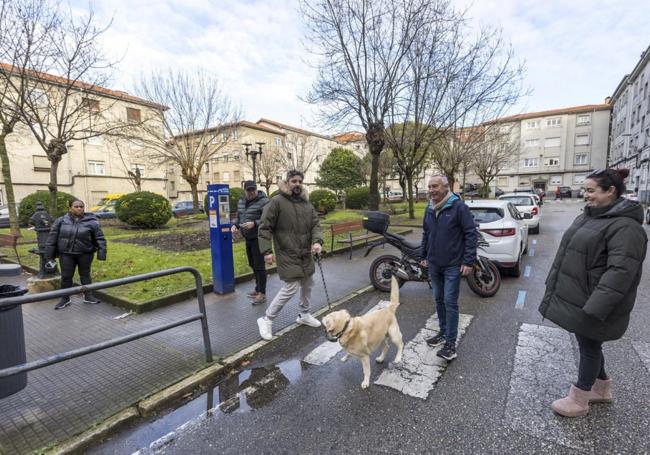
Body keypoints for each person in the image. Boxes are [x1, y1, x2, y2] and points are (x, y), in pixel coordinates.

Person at [539, 168, 647, 417]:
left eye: (591, 190)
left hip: (595, 301)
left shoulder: (625, 227)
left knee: (589, 346)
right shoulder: (590, 216)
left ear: (611, 191)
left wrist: (596, 307)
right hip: (583, 297)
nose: (585, 195)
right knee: (588, 343)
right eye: (584, 190)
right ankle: (602, 389)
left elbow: (620, 272)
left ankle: (580, 399)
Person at [256, 170, 324, 340]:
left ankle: (303, 315)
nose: (297, 184)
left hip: (305, 254)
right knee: (291, 288)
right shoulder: (277, 202)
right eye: (294, 181)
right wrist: (267, 251)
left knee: (308, 283)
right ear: (287, 183)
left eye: (300, 181)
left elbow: (316, 224)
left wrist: (317, 241)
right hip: (287, 252)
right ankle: (266, 319)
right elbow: (264, 227)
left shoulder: (306, 204)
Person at [420, 175, 477, 360]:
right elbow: (426, 234)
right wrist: (423, 255)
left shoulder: (458, 207)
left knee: (450, 302)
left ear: (446, 187)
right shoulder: (429, 208)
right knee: (438, 300)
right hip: (434, 264)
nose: (431, 190)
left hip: (453, 265)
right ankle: (443, 333)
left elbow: (470, 234)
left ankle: (451, 344)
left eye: (434, 186)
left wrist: (468, 262)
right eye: (429, 186)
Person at [44, 199, 107, 310]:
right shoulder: (61, 221)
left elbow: (100, 238)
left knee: (85, 275)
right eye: (76, 206)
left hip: (85, 254)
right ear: (70, 208)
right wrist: (49, 257)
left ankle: (88, 296)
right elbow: (51, 239)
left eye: (81, 206)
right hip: (66, 254)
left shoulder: (92, 221)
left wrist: (101, 253)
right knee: (66, 277)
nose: (79, 208)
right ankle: (65, 298)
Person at [232, 180, 269, 305]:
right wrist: (235, 225)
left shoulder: (264, 201)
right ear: (245, 190)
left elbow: (268, 219)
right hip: (247, 237)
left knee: (259, 265)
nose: (252, 192)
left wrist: (254, 223)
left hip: (259, 237)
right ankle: (258, 289)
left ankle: (262, 293)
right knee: (252, 264)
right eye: (249, 190)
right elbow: (239, 217)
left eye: (253, 189)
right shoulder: (241, 201)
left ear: (256, 189)